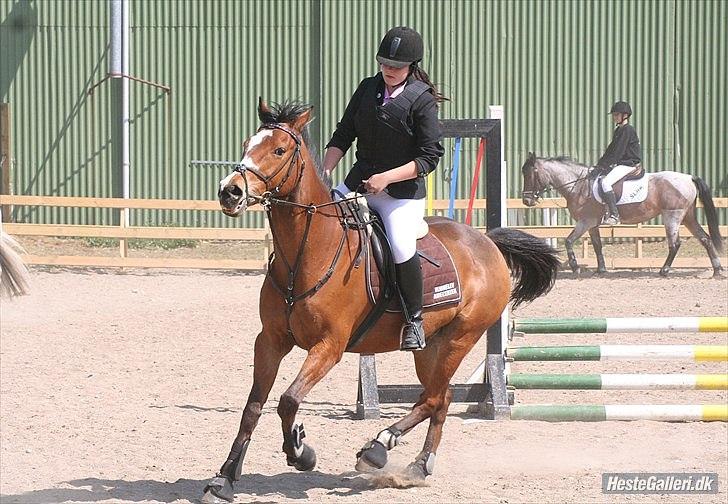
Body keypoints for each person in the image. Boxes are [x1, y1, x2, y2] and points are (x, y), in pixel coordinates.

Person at [323, 26, 445, 351]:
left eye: (396, 66)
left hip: (400, 196)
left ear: (412, 66)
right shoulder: (367, 89)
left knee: (401, 245)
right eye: (384, 63)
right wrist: (326, 168)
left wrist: (387, 178)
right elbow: (343, 133)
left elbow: (429, 157)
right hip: (356, 183)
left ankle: (414, 320)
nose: (389, 70)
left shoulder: (422, 100)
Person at [596, 101, 642, 225]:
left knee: (605, 182)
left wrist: (607, 165)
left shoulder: (628, 130)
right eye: (614, 115)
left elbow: (618, 152)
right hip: (622, 164)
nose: (614, 117)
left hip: (629, 164)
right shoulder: (619, 130)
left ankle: (614, 215)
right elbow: (610, 150)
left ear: (625, 116)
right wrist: (600, 164)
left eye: (616, 115)